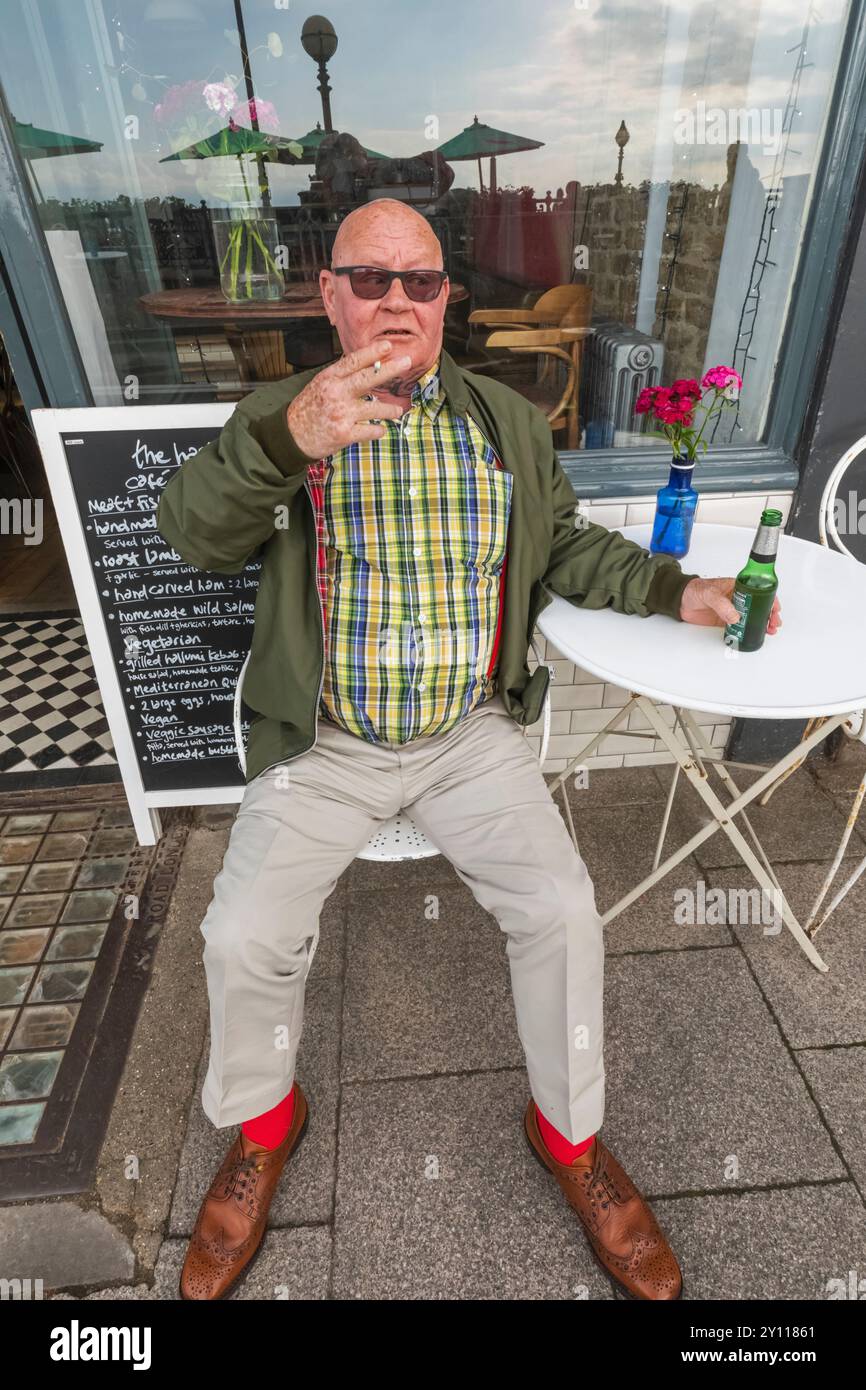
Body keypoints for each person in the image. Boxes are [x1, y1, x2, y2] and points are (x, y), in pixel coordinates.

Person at [157, 197, 780, 1302]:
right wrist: (286, 442)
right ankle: (265, 1124)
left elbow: (568, 546)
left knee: (560, 912)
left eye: (422, 281)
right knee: (242, 933)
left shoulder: (502, 420)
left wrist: (677, 588)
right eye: (371, 278)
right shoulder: (279, 414)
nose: (397, 299)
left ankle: (570, 1139)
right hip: (328, 742)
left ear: (448, 300)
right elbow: (193, 533)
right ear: (330, 295)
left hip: (467, 738)